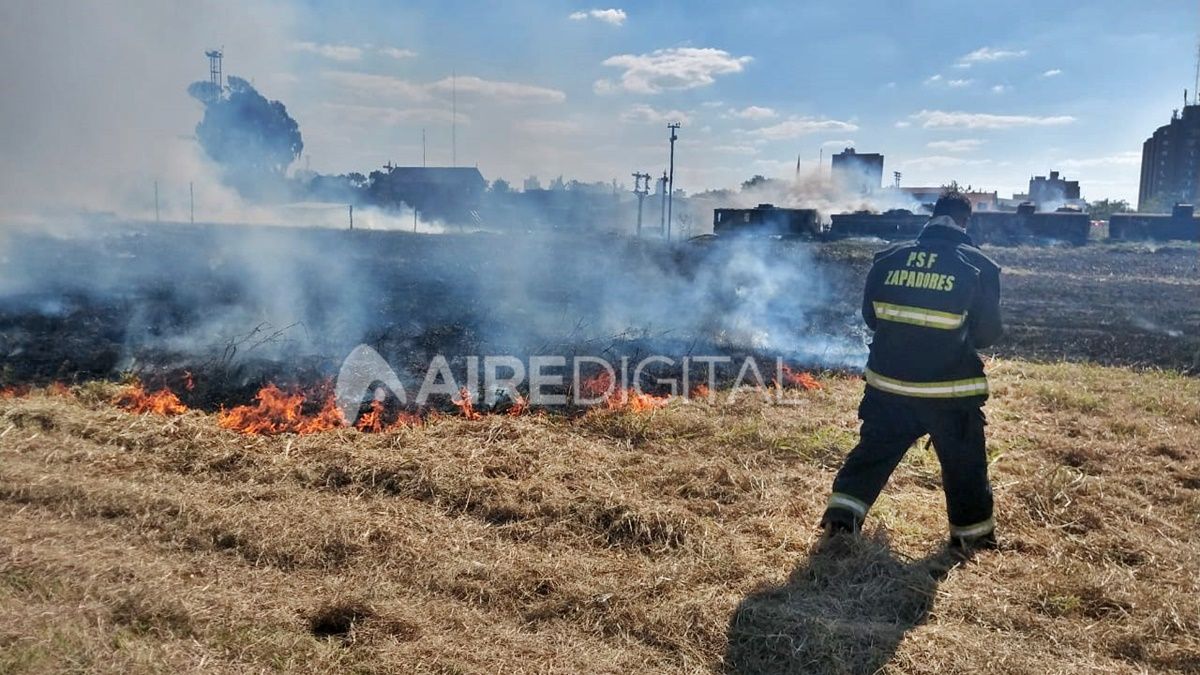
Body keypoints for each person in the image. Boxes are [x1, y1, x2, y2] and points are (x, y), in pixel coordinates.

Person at [821, 191, 1003, 554]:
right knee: (964, 465)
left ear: (932, 216)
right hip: (948, 393)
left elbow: (872, 319)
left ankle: (841, 521)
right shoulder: (980, 266)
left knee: (872, 455)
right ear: (965, 221)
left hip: (888, 387)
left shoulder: (888, 259)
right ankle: (972, 540)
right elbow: (986, 334)